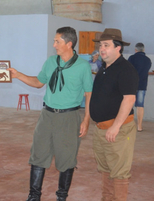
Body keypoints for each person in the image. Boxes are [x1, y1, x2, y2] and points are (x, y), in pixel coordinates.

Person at [8, 26, 93, 201]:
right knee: (38, 155)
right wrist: (18, 75)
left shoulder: (83, 67)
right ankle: (33, 196)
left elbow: (89, 94)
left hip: (69, 117)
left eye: (57, 41)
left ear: (69, 44)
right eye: (54, 41)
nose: (54, 44)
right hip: (47, 116)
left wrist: (86, 119)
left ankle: (61, 197)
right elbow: (39, 82)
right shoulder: (50, 62)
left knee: (67, 158)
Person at [89, 28, 139, 201]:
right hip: (101, 129)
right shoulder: (104, 68)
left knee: (119, 173)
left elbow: (129, 99)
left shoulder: (125, 69)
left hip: (118, 130)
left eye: (106, 45)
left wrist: (116, 126)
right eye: (101, 45)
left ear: (118, 48)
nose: (102, 49)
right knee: (105, 170)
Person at [128, 43, 152, 132]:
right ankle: (139, 126)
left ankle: (128, 125)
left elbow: (128, 70)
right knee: (140, 105)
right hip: (142, 85)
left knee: (128, 104)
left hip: (131, 85)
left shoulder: (132, 58)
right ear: (144, 50)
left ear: (135, 50)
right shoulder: (148, 60)